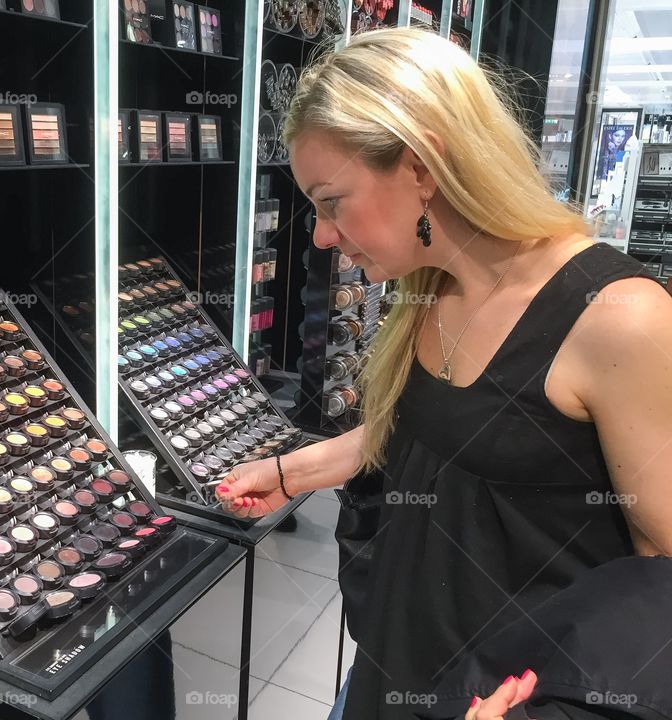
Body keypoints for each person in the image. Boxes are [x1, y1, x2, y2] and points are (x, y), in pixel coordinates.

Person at [216, 28, 672, 720]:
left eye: (331, 201)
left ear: (422, 166)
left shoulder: (618, 318)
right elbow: (427, 435)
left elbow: (661, 574)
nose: (321, 235)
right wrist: (290, 473)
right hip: (389, 669)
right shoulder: (428, 286)